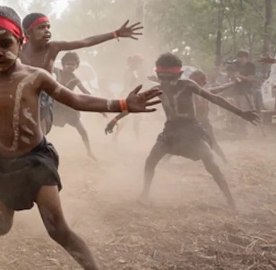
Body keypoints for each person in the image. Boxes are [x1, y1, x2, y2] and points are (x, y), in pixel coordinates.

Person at [0, 6, 161, 270]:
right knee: (0, 223)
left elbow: (75, 99)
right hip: (0, 164)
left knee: (56, 228)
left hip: (36, 161)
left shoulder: (37, 77)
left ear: (20, 43)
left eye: (5, 44)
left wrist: (122, 104)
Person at [105, 53, 259, 210]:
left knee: (211, 163)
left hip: (192, 131)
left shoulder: (188, 85)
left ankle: (231, 200)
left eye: (170, 77)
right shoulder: (157, 90)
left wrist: (241, 113)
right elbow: (133, 106)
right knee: (150, 161)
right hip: (170, 132)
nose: (166, 81)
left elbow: (214, 98)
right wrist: (115, 120)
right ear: (158, 75)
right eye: (163, 77)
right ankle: (145, 195)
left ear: (178, 75)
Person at [0, 13, 143, 134]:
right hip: (21, 94)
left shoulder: (53, 48)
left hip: (45, 97)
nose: (47, 31)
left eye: (49, 27)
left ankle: (39, 154)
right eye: (41, 28)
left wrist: (115, 34)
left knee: (40, 131)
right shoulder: (19, 48)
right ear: (27, 32)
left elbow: (85, 42)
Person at [51, 52, 101, 161]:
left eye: (73, 64)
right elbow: (44, 67)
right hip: (53, 106)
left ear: (76, 66)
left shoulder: (75, 79)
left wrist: (99, 107)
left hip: (68, 108)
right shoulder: (56, 71)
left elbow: (86, 92)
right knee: (42, 127)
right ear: (63, 64)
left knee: (82, 130)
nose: (70, 66)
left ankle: (89, 151)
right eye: (68, 64)